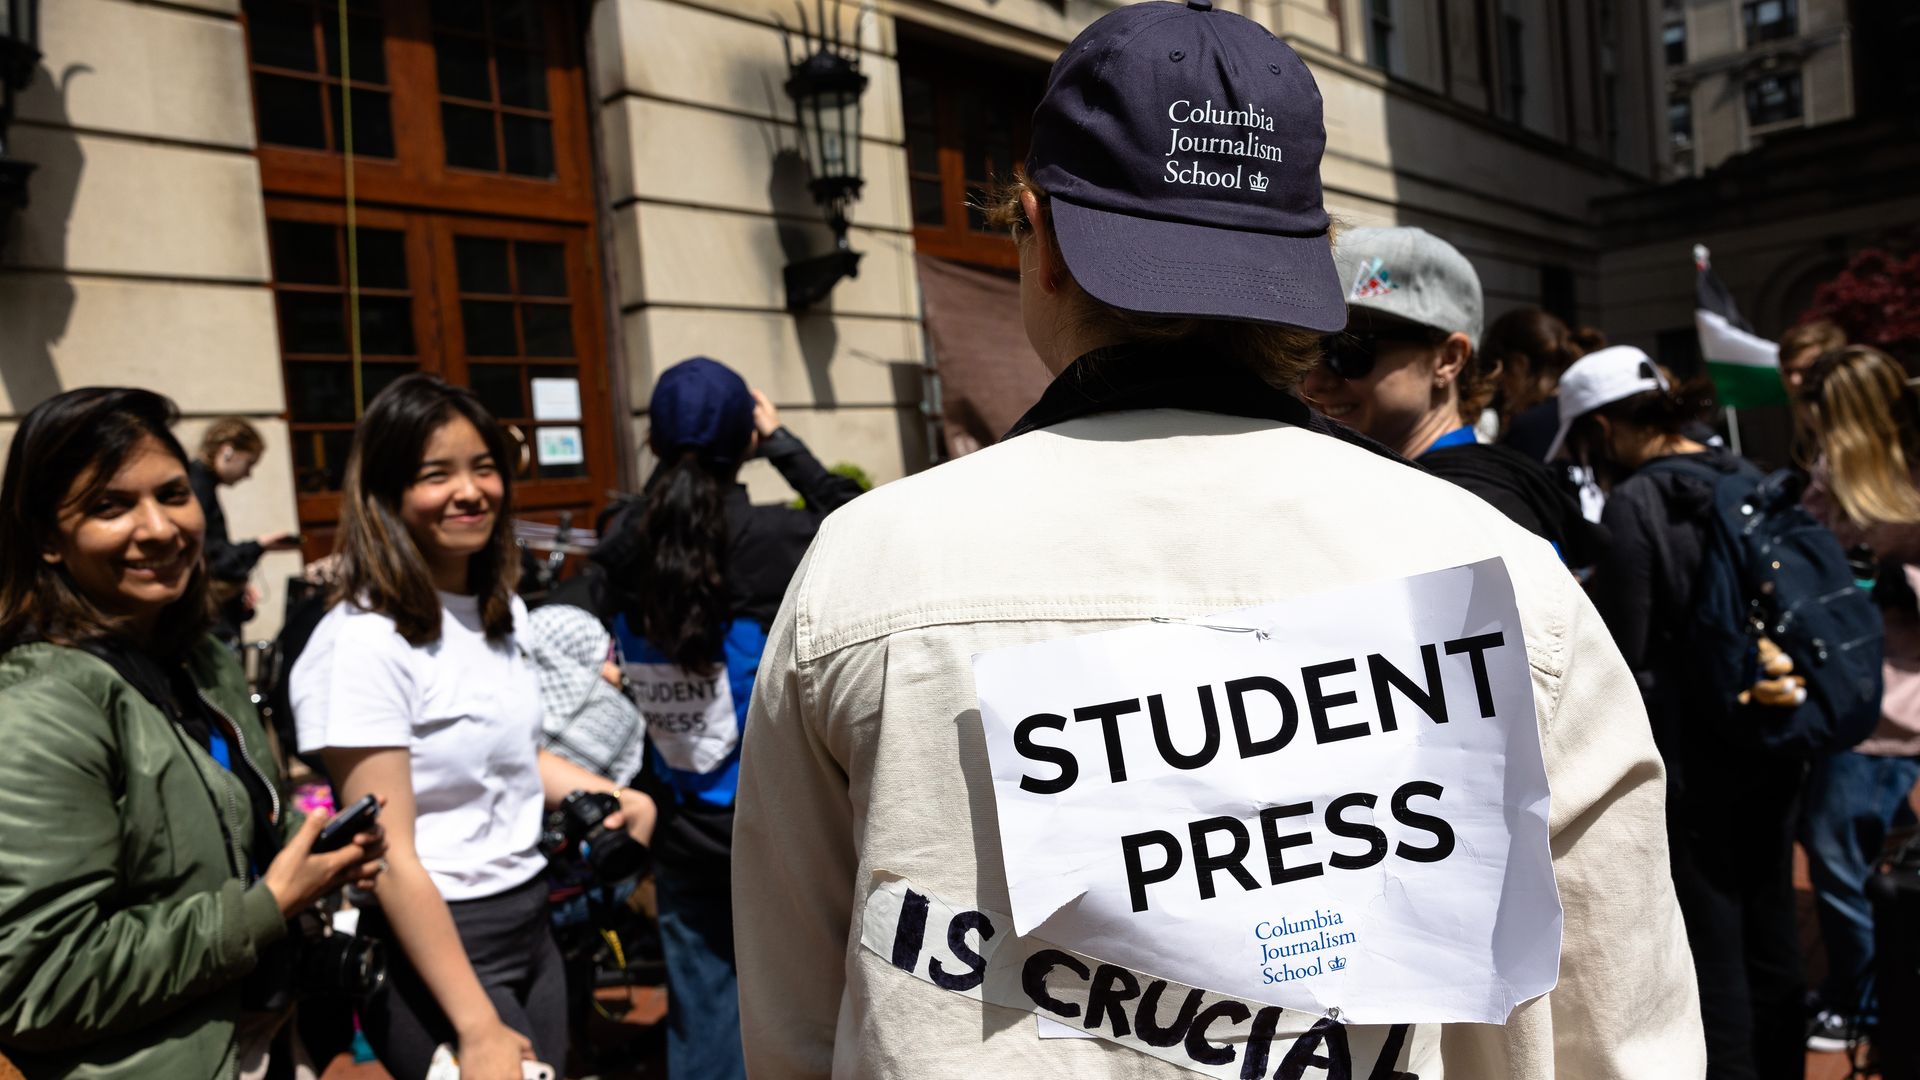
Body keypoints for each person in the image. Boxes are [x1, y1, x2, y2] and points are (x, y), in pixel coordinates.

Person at [731, 4, 1703, 1077]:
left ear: (1039, 239)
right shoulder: (1507, 579)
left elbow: (796, 1027)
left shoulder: (868, 574)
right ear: (1308, 270)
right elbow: (1618, 1029)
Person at [0, 387, 384, 1079]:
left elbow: (208, 836)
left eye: (173, 494)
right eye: (110, 507)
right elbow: (38, 980)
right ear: (49, 542)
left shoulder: (198, 657)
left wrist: (308, 854)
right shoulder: (37, 710)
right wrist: (267, 906)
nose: (159, 528)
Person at [289, 374, 653, 1080]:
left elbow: (509, 755)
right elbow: (387, 852)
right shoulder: (361, 642)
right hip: (440, 947)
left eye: (484, 467)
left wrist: (617, 795)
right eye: (437, 474)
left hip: (533, 921)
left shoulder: (495, 609)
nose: (470, 491)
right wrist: (477, 1026)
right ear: (388, 493)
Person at [588, 356, 864, 1080]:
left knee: (703, 1009)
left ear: (654, 447)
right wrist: (779, 443)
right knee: (811, 1011)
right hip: (779, 823)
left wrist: (668, 467)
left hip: (681, 820)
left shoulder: (625, 543)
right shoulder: (775, 539)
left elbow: (600, 561)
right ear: (745, 437)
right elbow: (857, 517)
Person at [1557, 347, 1807, 1080]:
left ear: (1602, 429)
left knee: (1714, 942)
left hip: (1697, 758)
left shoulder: (1640, 500)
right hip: (1775, 732)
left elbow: (1624, 646)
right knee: (1775, 924)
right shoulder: (1748, 475)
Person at [1301, 227, 1605, 565]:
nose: (1314, 381)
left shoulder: (1481, 514)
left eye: (1347, 349)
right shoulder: (1379, 486)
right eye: (1305, 351)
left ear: (1448, 359)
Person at [1795, 345, 1920, 1053]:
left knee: (1838, 853)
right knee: (1851, 852)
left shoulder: (1894, 476)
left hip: (1882, 706)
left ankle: (1869, 1003)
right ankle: (1870, 992)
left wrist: (1895, 581)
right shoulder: (1838, 475)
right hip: (1861, 696)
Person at [188, 417, 300, 643]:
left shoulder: (202, 484)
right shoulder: (197, 487)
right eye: (249, 463)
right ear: (228, 451)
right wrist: (260, 545)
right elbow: (211, 556)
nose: (248, 474)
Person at [1479, 307, 1601, 460]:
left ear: (1519, 365)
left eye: (1500, 375)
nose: (1502, 389)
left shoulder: (1528, 429)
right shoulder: (1590, 411)